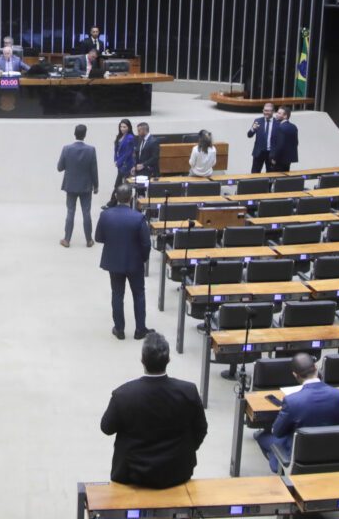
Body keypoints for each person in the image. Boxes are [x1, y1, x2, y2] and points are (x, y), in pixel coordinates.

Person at [100, 332, 207, 488]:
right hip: (177, 472)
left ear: (142, 360)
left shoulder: (123, 395)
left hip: (132, 475)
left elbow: (106, 428)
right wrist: (183, 450)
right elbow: (201, 429)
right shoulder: (188, 391)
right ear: (168, 360)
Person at [255, 353, 339, 473]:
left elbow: (278, 432)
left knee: (261, 436)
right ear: (316, 367)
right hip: (331, 453)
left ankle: (279, 463)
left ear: (295, 375)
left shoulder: (291, 401)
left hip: (301, 456)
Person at [95, 184, 151, 340]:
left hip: (114, 262)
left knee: (117, 294)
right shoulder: (139, 218)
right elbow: (146, 243)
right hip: (135, 263)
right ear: (131, 198)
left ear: (116, 197)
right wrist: (144, 258)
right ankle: (140, 329)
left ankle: (119, 329)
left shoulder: (105, 215)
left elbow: (99, 238)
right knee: (139, 294)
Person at [58, 124, 98, 248]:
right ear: (85, 135)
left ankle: (67, 239)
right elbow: (94, 170)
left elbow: (60, 167)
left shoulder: (66, 149)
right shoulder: (91, 150)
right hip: (86, 186)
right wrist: (96, 185)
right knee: (86, 212)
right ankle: (89, 240)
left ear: (74, 134)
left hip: (70, 185)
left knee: (70, 212)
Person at [106, 119, 136, 208]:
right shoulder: (119, 136)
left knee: (123, 184)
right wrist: (115, 159)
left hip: (127, 164)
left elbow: (128, 152)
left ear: (129, 127)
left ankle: (114, 202)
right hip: (120, 164)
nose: (122, 128)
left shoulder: (130, 137)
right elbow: (116, 150)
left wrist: (119, 161)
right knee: (118, 184)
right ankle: (113, 202)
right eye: (121, 127)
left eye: (124, 127)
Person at [246, 102, 276, 174]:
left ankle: (268, 186)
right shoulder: (258, 121)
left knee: (271, 173)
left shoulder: (277, 122)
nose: (266, 112)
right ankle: (255, 186)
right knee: (255, 173)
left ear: (273, 111)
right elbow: (249, 135)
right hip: (259, 152)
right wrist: (253, 129)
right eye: (265, 110)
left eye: (269, 110)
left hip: (271, 153)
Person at [270, 107, 299, 172]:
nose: (276, 114)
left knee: (276, 179)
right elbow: (296, 143)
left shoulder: (281, 127)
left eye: (279, 113)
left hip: (279, 160)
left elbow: (280, 145)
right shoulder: (293, 127)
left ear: (285, 116)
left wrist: (274, 159)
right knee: (285, 179)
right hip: (288, 160)